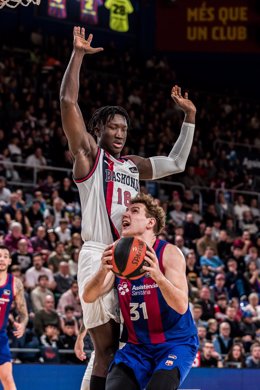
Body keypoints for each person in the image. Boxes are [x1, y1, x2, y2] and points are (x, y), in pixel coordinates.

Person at [60, 26, 196, 390]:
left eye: (124, 128)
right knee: (106, 349)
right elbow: (68, 105)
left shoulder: (133, 166)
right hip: (99, 253)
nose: (120, 133)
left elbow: (177, 162)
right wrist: (77, 56)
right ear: (99, 129)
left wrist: (190, 118)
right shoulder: (90, 158)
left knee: (121, 347)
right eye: (113, 127)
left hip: (129, 257)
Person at [83, 193, 198, 390]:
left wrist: (159, 278)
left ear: (150, 222)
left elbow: (181, 305)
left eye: (134, 211)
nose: (125, 214)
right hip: (137, 349)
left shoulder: (169, 253)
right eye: (126, 210)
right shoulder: (119, 255)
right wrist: (103, 269)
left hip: (174, 344)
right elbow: (89, 296)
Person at [0, 245, 29, 390]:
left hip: (1, 336)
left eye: (5, 256)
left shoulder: (15, 283)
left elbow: (23, 313)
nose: (2, 259)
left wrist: (22, 324)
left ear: (10, 261)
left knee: (8, 379)